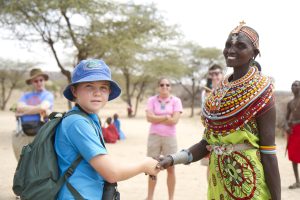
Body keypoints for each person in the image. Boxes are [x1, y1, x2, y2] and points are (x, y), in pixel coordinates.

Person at [159, 22, 281, 200]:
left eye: (240, 46)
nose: (231, 50)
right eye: (228, 45)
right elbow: (206, 144)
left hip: (248, 182)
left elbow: (268, 152)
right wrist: (172, 159)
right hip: (218, 181)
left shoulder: (262, 93)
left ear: (254, 53)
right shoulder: (217, 94)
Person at [54, 59, 159, 199]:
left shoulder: (90, 118)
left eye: (103, 87)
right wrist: (144, 165)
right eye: (89, 86)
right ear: (74, 91)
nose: (97, 93)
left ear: (109, 91)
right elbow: (112, 173)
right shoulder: (77, 122)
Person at [145, 78, 183, 200]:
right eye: (162, 84)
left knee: (171, 168)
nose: (165, 87)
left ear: (170, 87)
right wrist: (167, 117)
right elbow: (149, 118)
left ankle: (170, 198)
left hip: (170, 138)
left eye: (167, 84)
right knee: (152, 167)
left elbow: (175, 121)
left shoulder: (176, 101)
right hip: (154, 137)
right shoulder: (152, 100)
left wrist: (158, 117)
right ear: (158, 86)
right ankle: (150, 197)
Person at [12, 68, 54, 160]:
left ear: (44, 81)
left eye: (41, 80)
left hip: (41, 132)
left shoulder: (48, 95)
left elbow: (43, 107)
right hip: (24, 132)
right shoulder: (25, 95)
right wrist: (38, 109)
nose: (39, 83)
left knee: (40, 162)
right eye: (35, 81)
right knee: (23, 162)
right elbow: (19, 107)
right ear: (31, 82)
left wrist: (24, 112)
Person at [200, 64, 224, 179]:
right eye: (212, 74)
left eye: (217, 73)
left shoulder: (229, 90)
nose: (214, 76)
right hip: (211, 133)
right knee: (210, 164)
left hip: (226, 134)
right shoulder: (206, 93)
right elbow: (205, 115)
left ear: (222, 74)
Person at [285, 80, 300, 189]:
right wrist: (286, 127)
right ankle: (297, 181)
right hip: (293, 131)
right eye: (292, 85)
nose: (293, 86)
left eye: (295, 85)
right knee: (294, 156)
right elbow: (286, 119)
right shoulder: (290, 103)